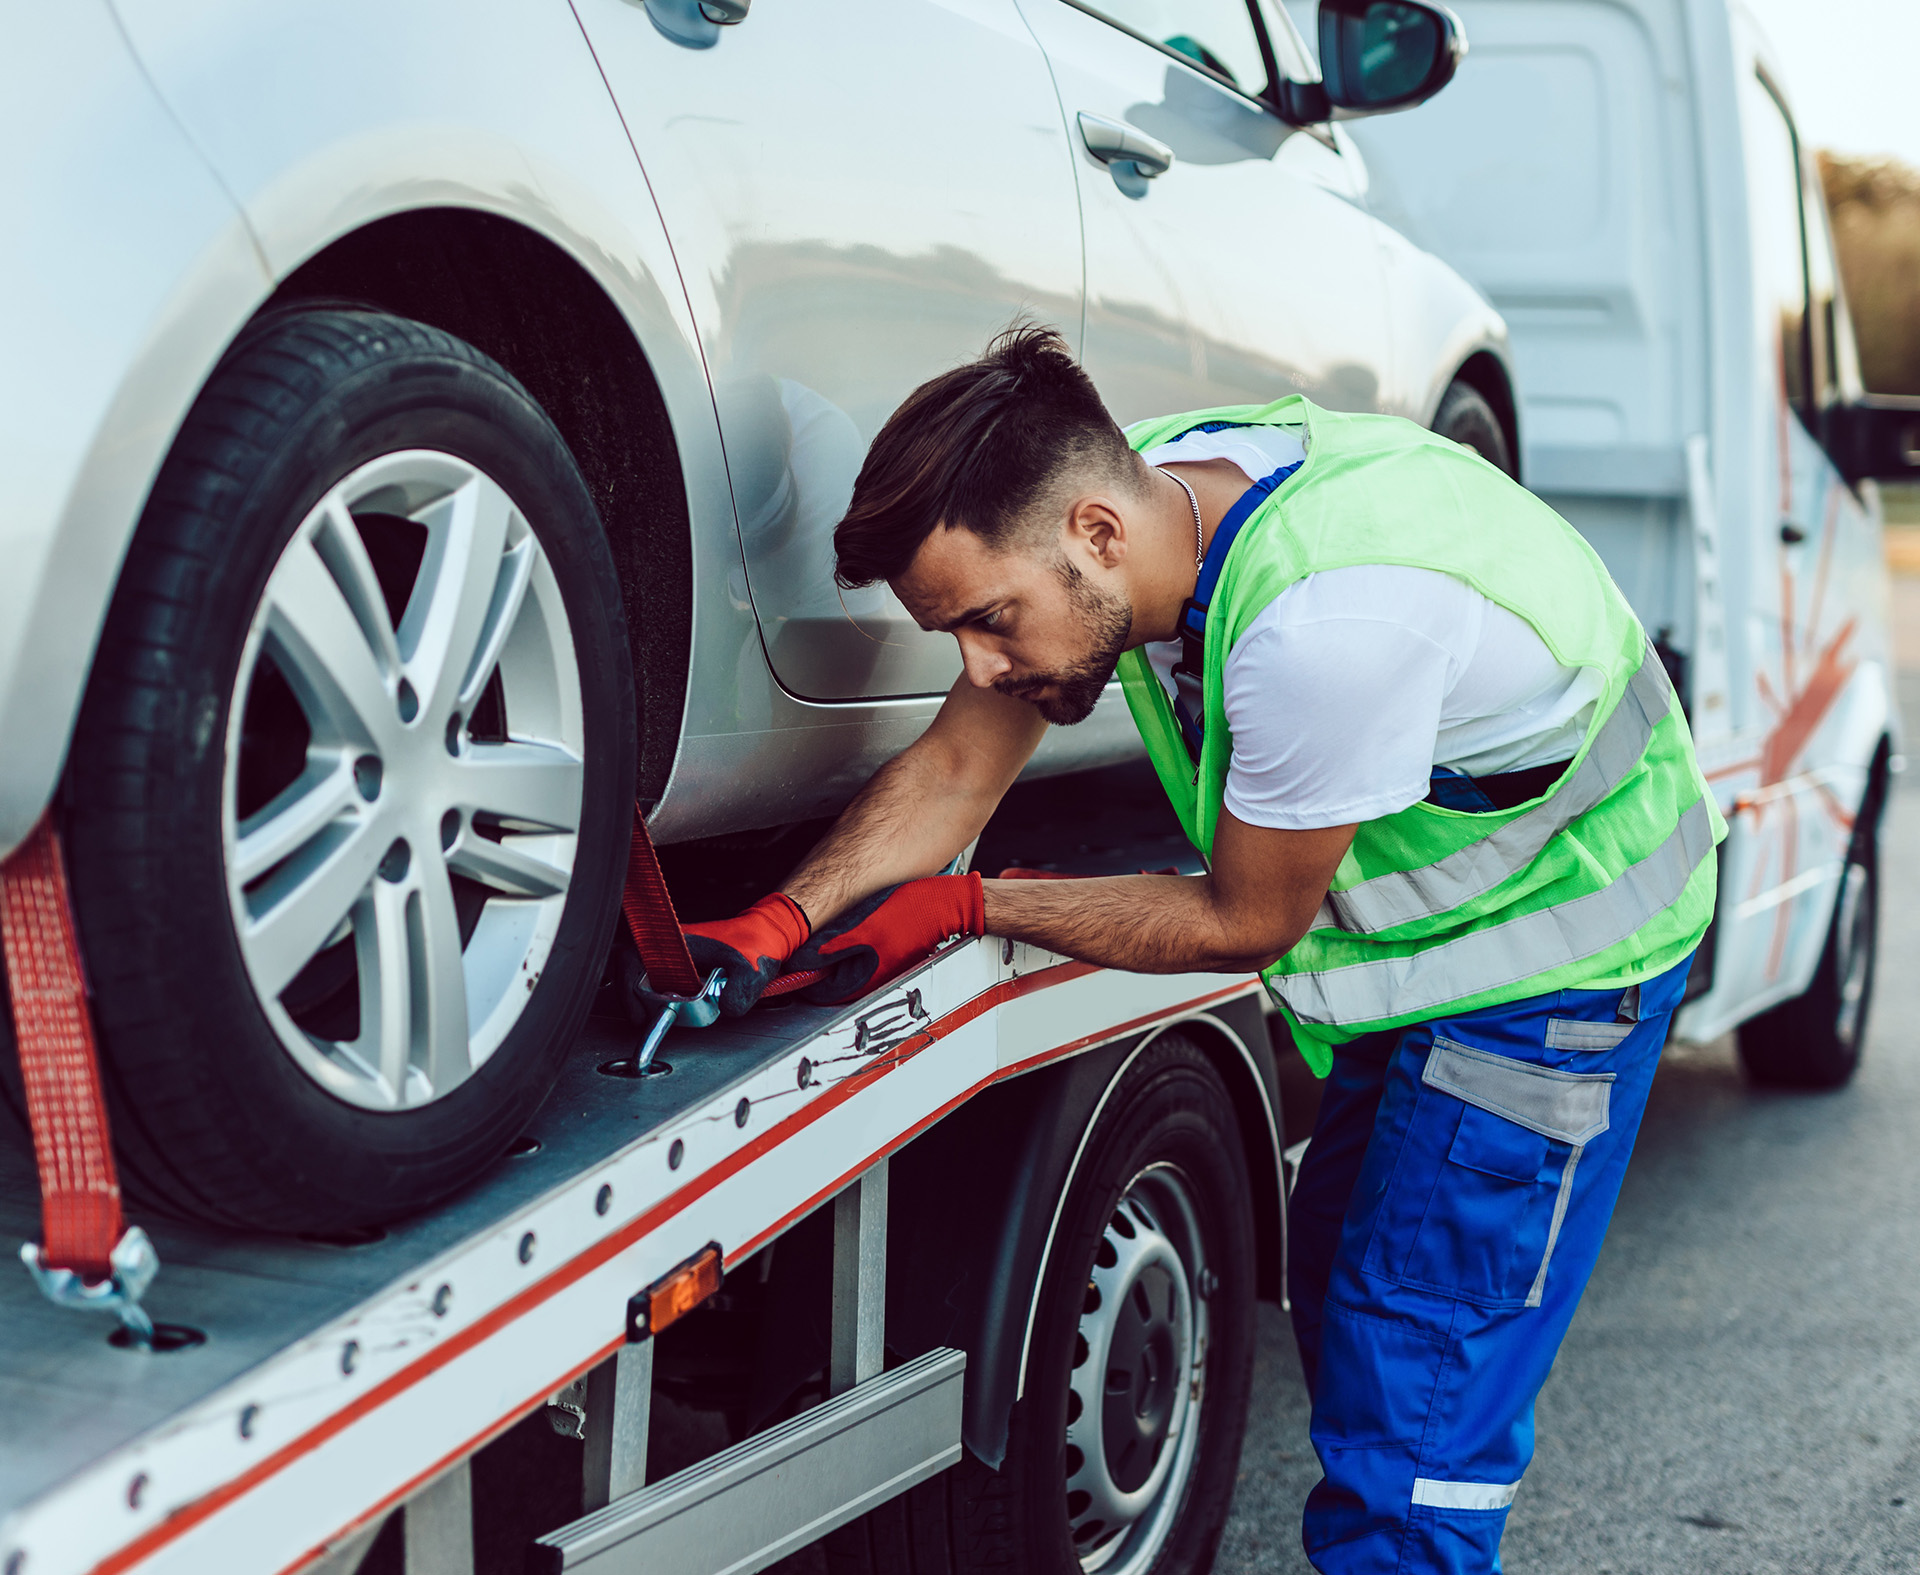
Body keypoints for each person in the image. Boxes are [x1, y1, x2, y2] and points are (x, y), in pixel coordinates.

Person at [669, 325, 1723, 1573]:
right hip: (1441, 961)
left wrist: (973, 909)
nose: (984, 666)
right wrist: (782, 918)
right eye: (960, 633)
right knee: (1344, 1289)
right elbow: (957, 770)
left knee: (1417, 1406)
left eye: (991, 621)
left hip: (1562, 964)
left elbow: (1246, 921)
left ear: (1096, 537)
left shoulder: (1318, 627)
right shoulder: (1155, 493)